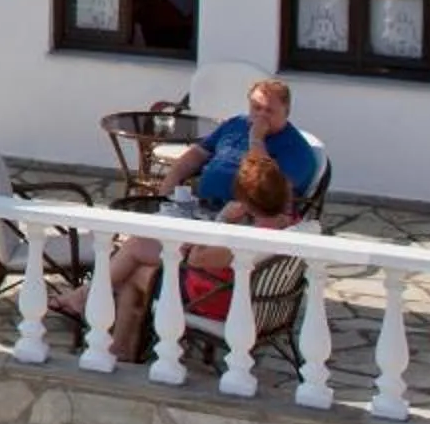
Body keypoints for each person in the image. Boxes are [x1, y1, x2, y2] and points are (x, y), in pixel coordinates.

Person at [108, 153, 294, 362]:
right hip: (247, 297)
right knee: (138, 251)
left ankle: (120, 344)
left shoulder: (245, 241)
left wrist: (223, 220)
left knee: (136, 273)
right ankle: (129, 339)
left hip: (212, 299)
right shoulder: (286, 224)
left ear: (246, 201)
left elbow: (196, 259)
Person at [162, 78, 319, 209]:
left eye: (269, 111)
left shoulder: (298, 150)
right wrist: (167, 190)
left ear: (286, 111)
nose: (261, 115)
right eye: (256, 108)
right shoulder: (236, 124)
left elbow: (269, 192)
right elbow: (197, 154)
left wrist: (256, 139)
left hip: (246, 218)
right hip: (202, 206)